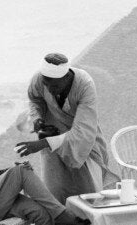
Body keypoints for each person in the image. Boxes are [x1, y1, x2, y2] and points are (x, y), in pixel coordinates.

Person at [16, 52, 118, 204]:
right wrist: (37, 119)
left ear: (67, 78)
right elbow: (35, 100)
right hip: (50, 140)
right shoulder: (39, 79)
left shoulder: (84, 85)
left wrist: (42, 144)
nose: (49, 89)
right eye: (46, 84)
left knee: (89, 195)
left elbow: (82, 131)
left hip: (82, 143)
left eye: (55, 85)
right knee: (56, 190)